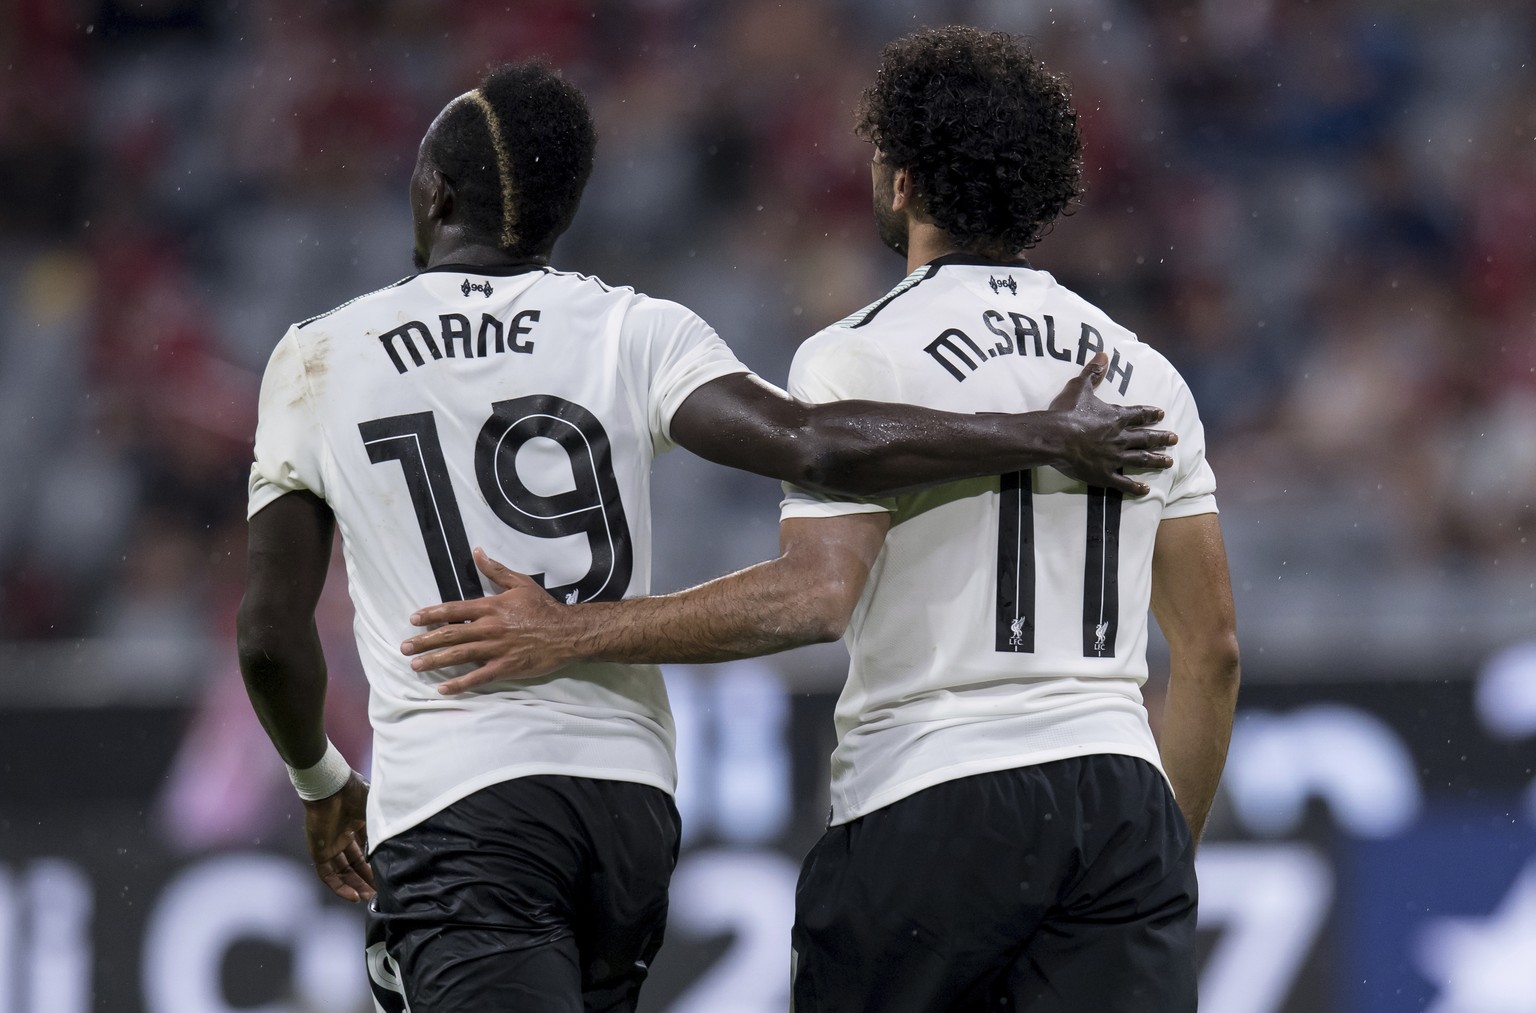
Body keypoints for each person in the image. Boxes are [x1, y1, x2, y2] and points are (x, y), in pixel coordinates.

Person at [236, 59, 1177, 1012]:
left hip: (459, 796)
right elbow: (812, 444)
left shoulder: (321, 353)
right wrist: (1042, 433)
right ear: (559, 216)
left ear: (435, 193)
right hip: (625, 807)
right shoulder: (633, 327)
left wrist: (319, 779)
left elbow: (270, 634)